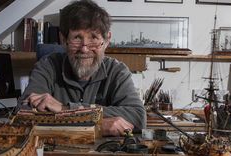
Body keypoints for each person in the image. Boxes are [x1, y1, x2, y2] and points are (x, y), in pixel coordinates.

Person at [19, 0, 146, 136]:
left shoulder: (118, 71)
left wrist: (65, 109)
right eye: (77, 38)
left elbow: (138, 117)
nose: (84, 49)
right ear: (63, 39)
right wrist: (97, 125)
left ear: (107, 40)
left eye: (93, 38)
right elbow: (23, 114)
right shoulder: (47, 66)